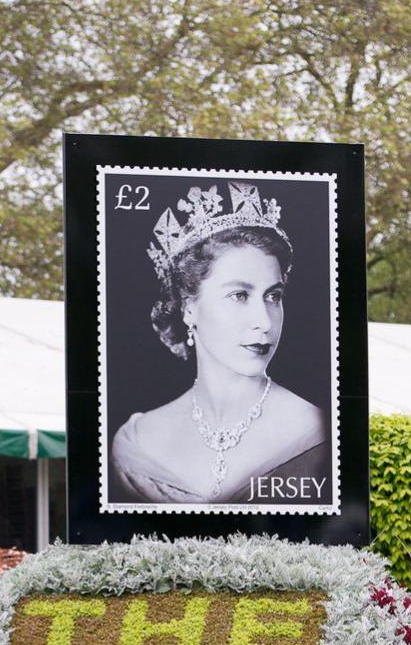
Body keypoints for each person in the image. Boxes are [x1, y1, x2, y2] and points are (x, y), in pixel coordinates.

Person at [110, 180, 327, 505]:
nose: (264, 321)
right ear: (189, 308)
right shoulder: (137, 441)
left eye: (274, 296)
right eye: (239, 295)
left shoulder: (317, 431)